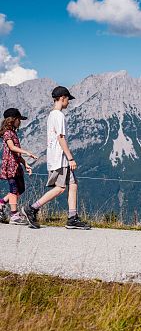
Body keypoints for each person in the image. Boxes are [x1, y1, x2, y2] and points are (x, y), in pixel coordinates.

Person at [22, 86, 90, 230]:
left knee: (73, 184)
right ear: (63, 98)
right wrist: (71, 158)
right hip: (60, 158)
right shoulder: (59, 115)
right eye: (68, 99)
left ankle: (72, 218)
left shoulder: (52, 115)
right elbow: (61, 137)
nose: (69, 103)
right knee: (60, 188)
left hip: (58, 157)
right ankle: (32, 208)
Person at [0, 108, 38, 224]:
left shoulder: (13, 133)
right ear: (13, 120)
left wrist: (25, 163)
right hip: (10, 166)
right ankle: (14, 215)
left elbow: (16, 153)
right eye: (18, 119)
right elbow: (11, 147)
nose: (20, 122)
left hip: (16, 165)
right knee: (14, 189)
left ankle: (1, 203)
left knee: (20, 189)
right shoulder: (7, 133)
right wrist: (26, 152)